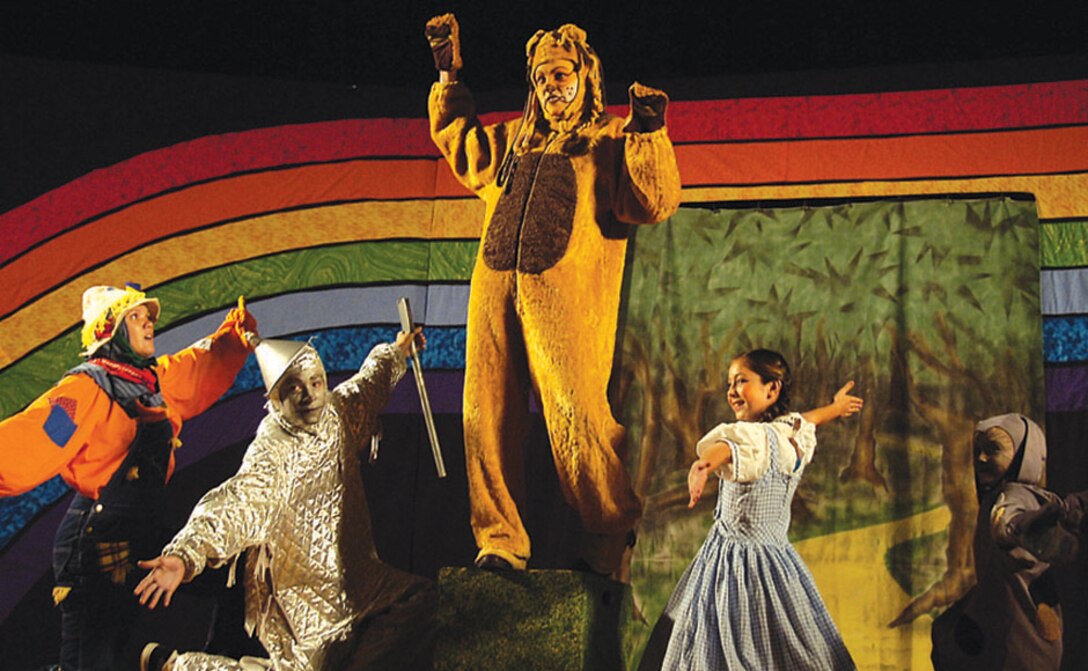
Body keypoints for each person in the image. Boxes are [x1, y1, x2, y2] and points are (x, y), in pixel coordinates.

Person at [425, 13, 682, 576]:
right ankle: (500, 540)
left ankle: (607, 534)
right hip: (494, 291)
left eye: (560, 74)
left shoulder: (608, 140)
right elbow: (461, 145)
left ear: (586, 75)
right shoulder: (514, 142)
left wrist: (647, 127)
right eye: (541, 79)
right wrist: (448, 78)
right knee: (483, 413)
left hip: (565, 303)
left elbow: (652, 200)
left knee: (576, 413)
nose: (550, 86)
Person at [134, 329, 436, 671]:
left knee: (420, 599)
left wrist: (397, 352)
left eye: (316, 383)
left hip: (360, 577)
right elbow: (237, 503)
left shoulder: (338, 413)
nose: (310, 395)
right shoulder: (273, 450)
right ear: (277, 398)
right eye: (295, 388)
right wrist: (185, 556)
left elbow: (369, 384)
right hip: (304, 595)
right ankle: (180, 667)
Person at [0, 284, 257, 671]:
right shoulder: (84, 390)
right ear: (109, 330)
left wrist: (234, 338)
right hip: (97, 545)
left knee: (245, 575)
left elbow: (199, 368)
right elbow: (31, 440)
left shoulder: (153, 382)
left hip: (147, 532)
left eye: (149, 317)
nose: (149, 324)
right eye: (135, 317)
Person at [652, 349, 860, 670]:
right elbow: (807, 420)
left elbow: (729, 447)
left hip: (735, 563)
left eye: (741, 381)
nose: (732, 391)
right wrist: (835, 407)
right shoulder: (790, 433)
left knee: (733, 640)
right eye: (730, 384)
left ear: (771, 389)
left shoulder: (758, 437)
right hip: (777, 559)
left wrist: (705, 464)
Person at [931, 413, 1084, 670]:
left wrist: (1021, 529)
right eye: (977, 451)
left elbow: (1008, 520)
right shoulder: (1013, 496)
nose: (980, 459)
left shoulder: (1013, 495)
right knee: (946, 630)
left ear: (1024, 454)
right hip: (1006, 620)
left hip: (1019, 637)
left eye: (993, 450)